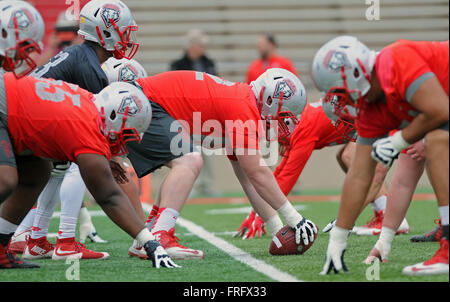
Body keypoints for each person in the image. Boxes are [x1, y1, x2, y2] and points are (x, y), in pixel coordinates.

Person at [126, 68, 318, 260]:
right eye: (284, 116)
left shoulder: (241, 101)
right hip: (142, 104)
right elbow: (257, 173)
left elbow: (248, 180)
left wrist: (277, 227)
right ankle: (161, 236)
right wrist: (296, 219)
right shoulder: (243, 107)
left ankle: (146, 239)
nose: (283, 124)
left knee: (185, 161)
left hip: (144, 101)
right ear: (269, 101)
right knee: (189, 161)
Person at [9, 0, 145, 261]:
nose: (127, 37)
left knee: (59, 167)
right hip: (25, 120)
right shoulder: (90, 68)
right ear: (106, 32)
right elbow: (92, 135)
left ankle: (34, 239)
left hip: (29, 118)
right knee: (82, 159)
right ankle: (66, 241)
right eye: (123, 30)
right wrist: (108, 157)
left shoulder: (80, 56)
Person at [311, 36, 448, 276]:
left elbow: (440, 110)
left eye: (340, 93)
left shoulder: (396, 61)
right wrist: (339, 238)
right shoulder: (373, 108)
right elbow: (360, 176)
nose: (342, 102)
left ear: (355, 74)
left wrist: (399, 139)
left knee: (435, 142)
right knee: (429, 143)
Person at [234, 99, 409, 240]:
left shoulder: (303, 129)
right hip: (365, 119)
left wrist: (264, 216)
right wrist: (256, 211)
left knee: (350, 156)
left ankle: (388, 216)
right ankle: (383, 211)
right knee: (344, 157)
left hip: (378, 121)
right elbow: (280, 173)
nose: (274, 139)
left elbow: (287, 177)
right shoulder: (298, 124)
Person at [170, 29, 220, 197]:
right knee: (191, 151)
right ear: (191, 46)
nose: (203, 48)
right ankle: (193, 185)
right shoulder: (178, 65)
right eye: (200, 45)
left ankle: (208, 184)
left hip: (206, 114)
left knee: (209, 151)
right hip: (186, 114)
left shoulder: (209, 63)